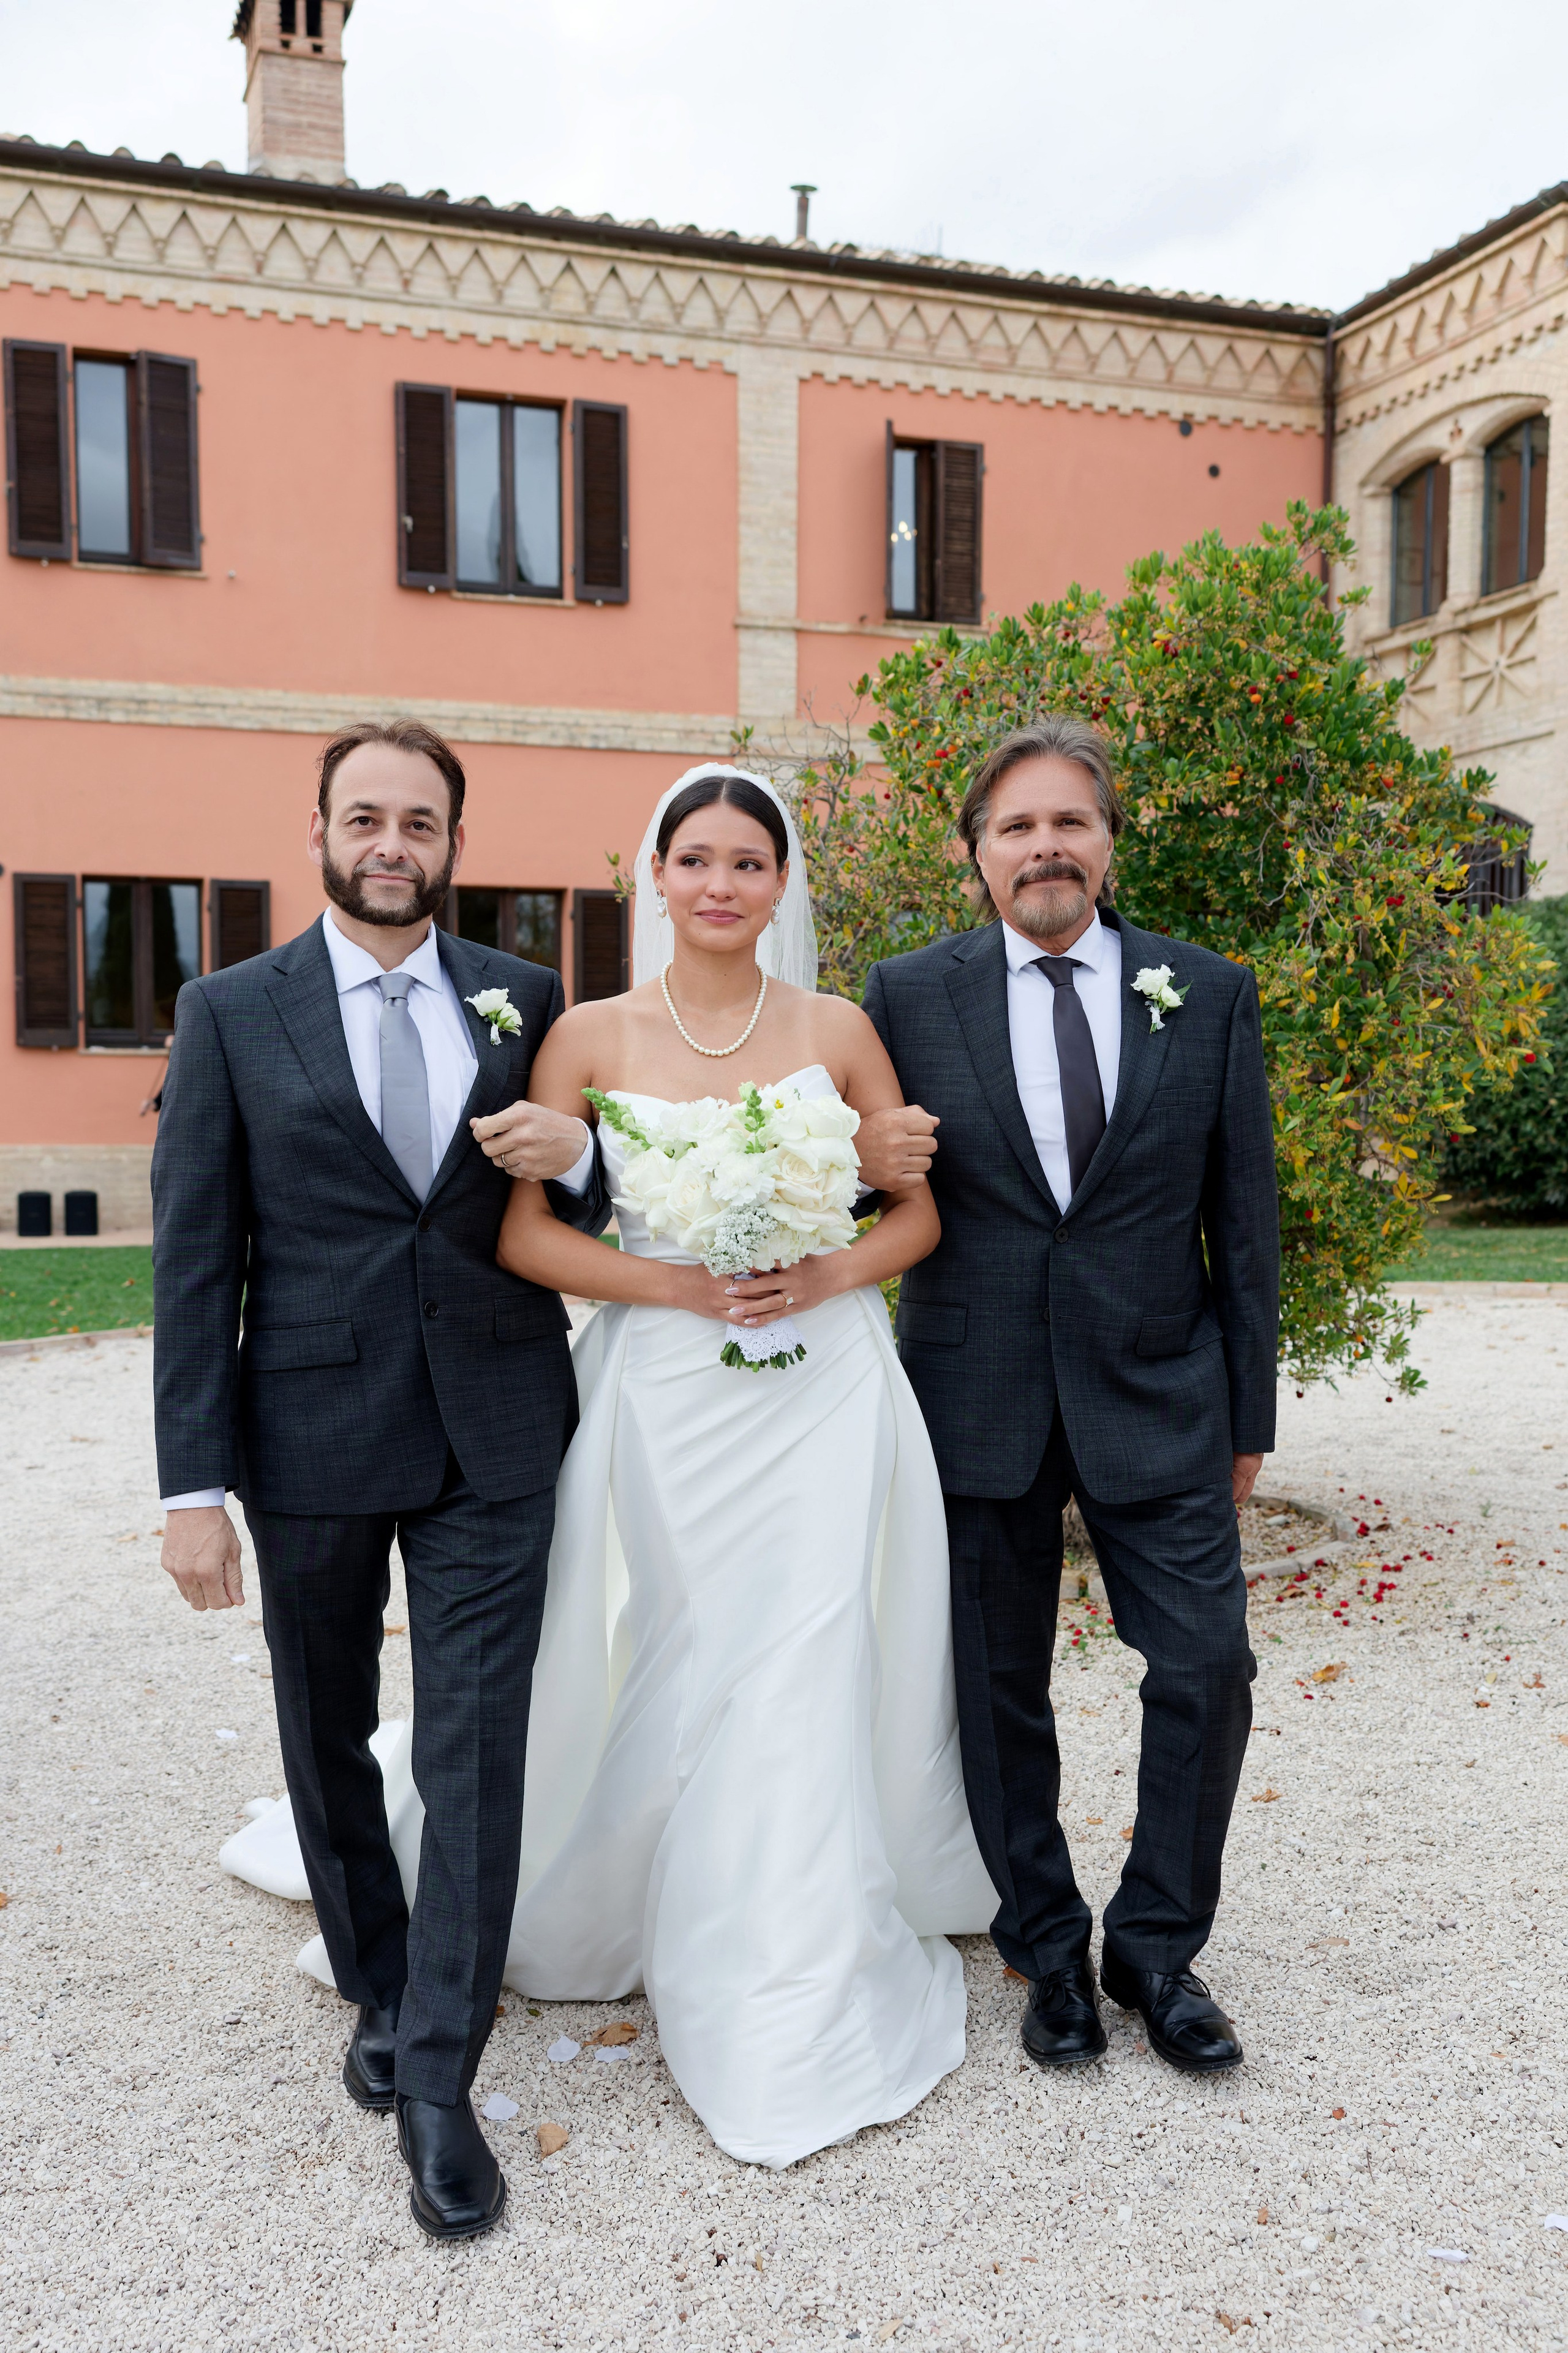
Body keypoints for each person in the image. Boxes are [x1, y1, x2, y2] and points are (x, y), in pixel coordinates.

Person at [222, 763, 997, 2172]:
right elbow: (523, 1235)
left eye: (746, 862)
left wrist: (825, 1265)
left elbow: (916, 1215)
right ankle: (632, 1883)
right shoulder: (576, 1028)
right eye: (693, 858)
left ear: (780, 882)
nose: (718, 883)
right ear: (655, 874)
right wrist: (676, 1285)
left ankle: (785, 1951)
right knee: (691, 1639)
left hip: (822, 1385)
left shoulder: (838, 1026)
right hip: (668, 1388)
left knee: (810, 1646)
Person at [153, 719, 610, 2241]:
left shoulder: (523, 995)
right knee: (327, 1720)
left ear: (453, 843)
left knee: (478, 1744)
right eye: (367, 816)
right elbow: (193, 1259)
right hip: (311, 1434)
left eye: (420, 819)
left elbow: (565, 1179)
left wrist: (590, 1157)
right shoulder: (228, 1011)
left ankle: (435, 2070)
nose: (392, 841)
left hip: (494, 1422)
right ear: (322, 832)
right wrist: (190, 1485)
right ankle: (377, 1970)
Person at [861, 716, 1279, 2078]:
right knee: (997, 1692)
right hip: (974, 1393)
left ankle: (1155, 1947)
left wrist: (1248, 1414)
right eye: (1015, 826)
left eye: (1068, 822)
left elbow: (1243, 1218)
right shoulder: (907, 995)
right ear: (975, 856)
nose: (1044, 846)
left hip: (1159, 1391)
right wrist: (869, 1155)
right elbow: (864, 1182)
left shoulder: (1203, 991)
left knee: (1207, 1666)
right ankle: (1043, 1940)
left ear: (1108, 841)